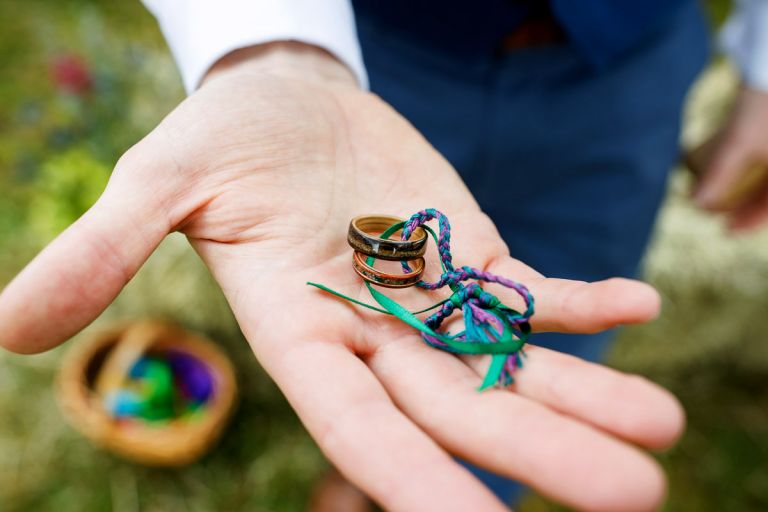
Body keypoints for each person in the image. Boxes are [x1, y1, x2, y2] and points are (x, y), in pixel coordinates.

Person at [1, 1, 767, 510]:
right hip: (371, 46)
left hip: (624, 70)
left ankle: (473, 473)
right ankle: (362, 470)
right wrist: (274, 50)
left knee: (564, 314)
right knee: (359, 367)